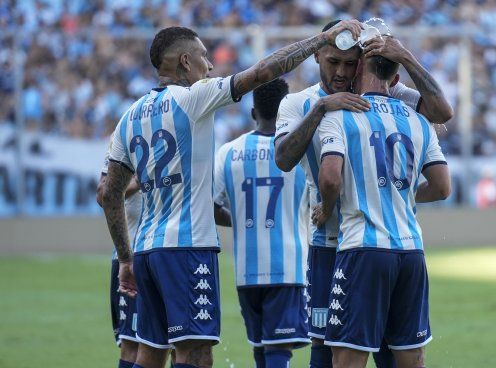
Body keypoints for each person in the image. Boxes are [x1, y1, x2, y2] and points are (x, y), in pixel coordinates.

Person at [101, 22, 363, 368]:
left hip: (147, 249)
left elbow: (107, 192)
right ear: (185, 62)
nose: (209, 66)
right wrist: (322, 39)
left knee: (150, 353)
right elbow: (264, 71)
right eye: (204, 57)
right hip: (186, 248)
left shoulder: (129, 117)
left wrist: (124, 257)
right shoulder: (195, 97)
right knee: (195, 354)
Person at [274, 19, 453, 368]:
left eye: (349, 63)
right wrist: (322, 108)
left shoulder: (394, 96)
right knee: (325, 348)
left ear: (362, 62)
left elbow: (444, 112)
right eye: (333, 62)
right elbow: (283, 158)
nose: (341, 71)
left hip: (361, 244)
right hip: (329, 246)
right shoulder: (298, 103)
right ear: (317, 57)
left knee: (380, 349)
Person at [213, 78, 310, 368]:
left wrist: (242, 222)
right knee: (278, 350)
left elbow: (212, 206)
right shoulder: (301, 154)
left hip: (246, 270)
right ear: (286, 112)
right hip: (287, 267)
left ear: (254, 113)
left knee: (260, 348)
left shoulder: (229, 152)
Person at [96, 138, 144, 368]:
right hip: (131, 253)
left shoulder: (180, 123)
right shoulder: (123, 134)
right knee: (132, 344)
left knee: (178, 343)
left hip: (168, 251)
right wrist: (138, 181)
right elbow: (103, 194)